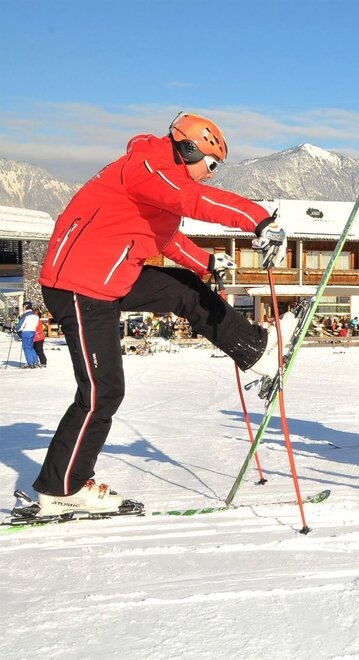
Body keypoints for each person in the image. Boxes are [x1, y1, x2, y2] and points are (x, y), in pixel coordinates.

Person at [33, 112, 294, 516]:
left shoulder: (159, 175)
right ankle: (61, 489)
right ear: (189, 148)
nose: (211, 174)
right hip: (80, 285)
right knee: (102, 393)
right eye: (211, 164)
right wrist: (258, 221)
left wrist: (207, 263)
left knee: (184, 290)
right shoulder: (149, 167)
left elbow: (165, 238)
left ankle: (254, 350)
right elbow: (194, 201)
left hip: (108, 277)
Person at [15, 301, 41, 368]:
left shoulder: (25, 315)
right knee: (31, 347)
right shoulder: (35, 315)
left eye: (23, 307)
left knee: (26, 348)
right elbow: (36, 324)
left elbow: (20, 325)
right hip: (33, 331)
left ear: (25, 307)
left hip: (26, 332)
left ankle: (30, 363)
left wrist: (16, 329)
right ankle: (36, 361)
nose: (22, 308)